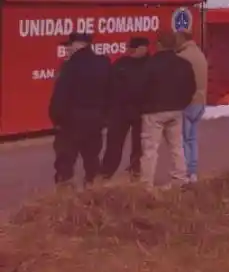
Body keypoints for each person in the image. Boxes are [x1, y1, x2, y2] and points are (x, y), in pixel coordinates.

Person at [49, 32, 111, 188]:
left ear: (77, 45)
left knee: (65, 160)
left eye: (69, 46)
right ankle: (93, 191)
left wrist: (56, 118)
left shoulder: (70, 66)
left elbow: (60, 96)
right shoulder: (104, 63)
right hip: (96, 119)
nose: (67, 49)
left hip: (72, 121)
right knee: (92, 159)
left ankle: (65, 195)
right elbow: (112, 91)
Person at [139, 32, 197, 188]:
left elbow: (141, 88)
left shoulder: (150, 65)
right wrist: (182, 104)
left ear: (158, 45)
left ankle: (146, 183)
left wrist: (143, 106)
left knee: (150, 149)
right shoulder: (184, 64)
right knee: (177, 146)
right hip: (176, 110)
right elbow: (191, 87)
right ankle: (179, 178)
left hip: (154, 111)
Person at [101, 36, 150, 180]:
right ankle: (106, 173)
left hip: (142, 111)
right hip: (120, 111)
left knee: (139, 145)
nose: (131, 51)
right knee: (114, 144)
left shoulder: (151, 64)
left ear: (143, 48)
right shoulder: (121, 63)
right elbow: (109, 86)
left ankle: (135, 172)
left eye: (134, 49)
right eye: (131, 49)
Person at [175, 29, 208, 183]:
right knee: (192, 138)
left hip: (187, 103)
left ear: (182, 38)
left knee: (183, 139)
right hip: (201, 101)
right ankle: (193, 172)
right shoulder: (200, 55)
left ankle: (185, 172)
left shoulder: (182, 57)